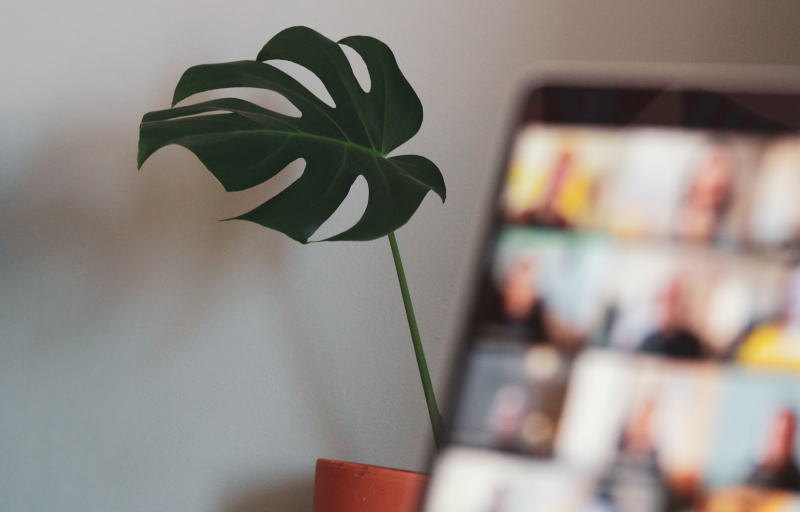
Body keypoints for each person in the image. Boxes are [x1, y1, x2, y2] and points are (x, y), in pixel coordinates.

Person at [675, 148, 734, 243]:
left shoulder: (721, 173)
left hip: (708, 211)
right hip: (693, 207)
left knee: (701, 231)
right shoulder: (703, 170)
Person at [640, 277, 703, 359]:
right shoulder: (647, 343)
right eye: (664, 299)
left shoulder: (692, 345)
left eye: (674, 300)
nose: (668, 307)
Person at [746, 409, 800, 492]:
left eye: (788, 435)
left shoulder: (796, 481)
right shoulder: (751, 478)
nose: (783, 442)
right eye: (779, 435)